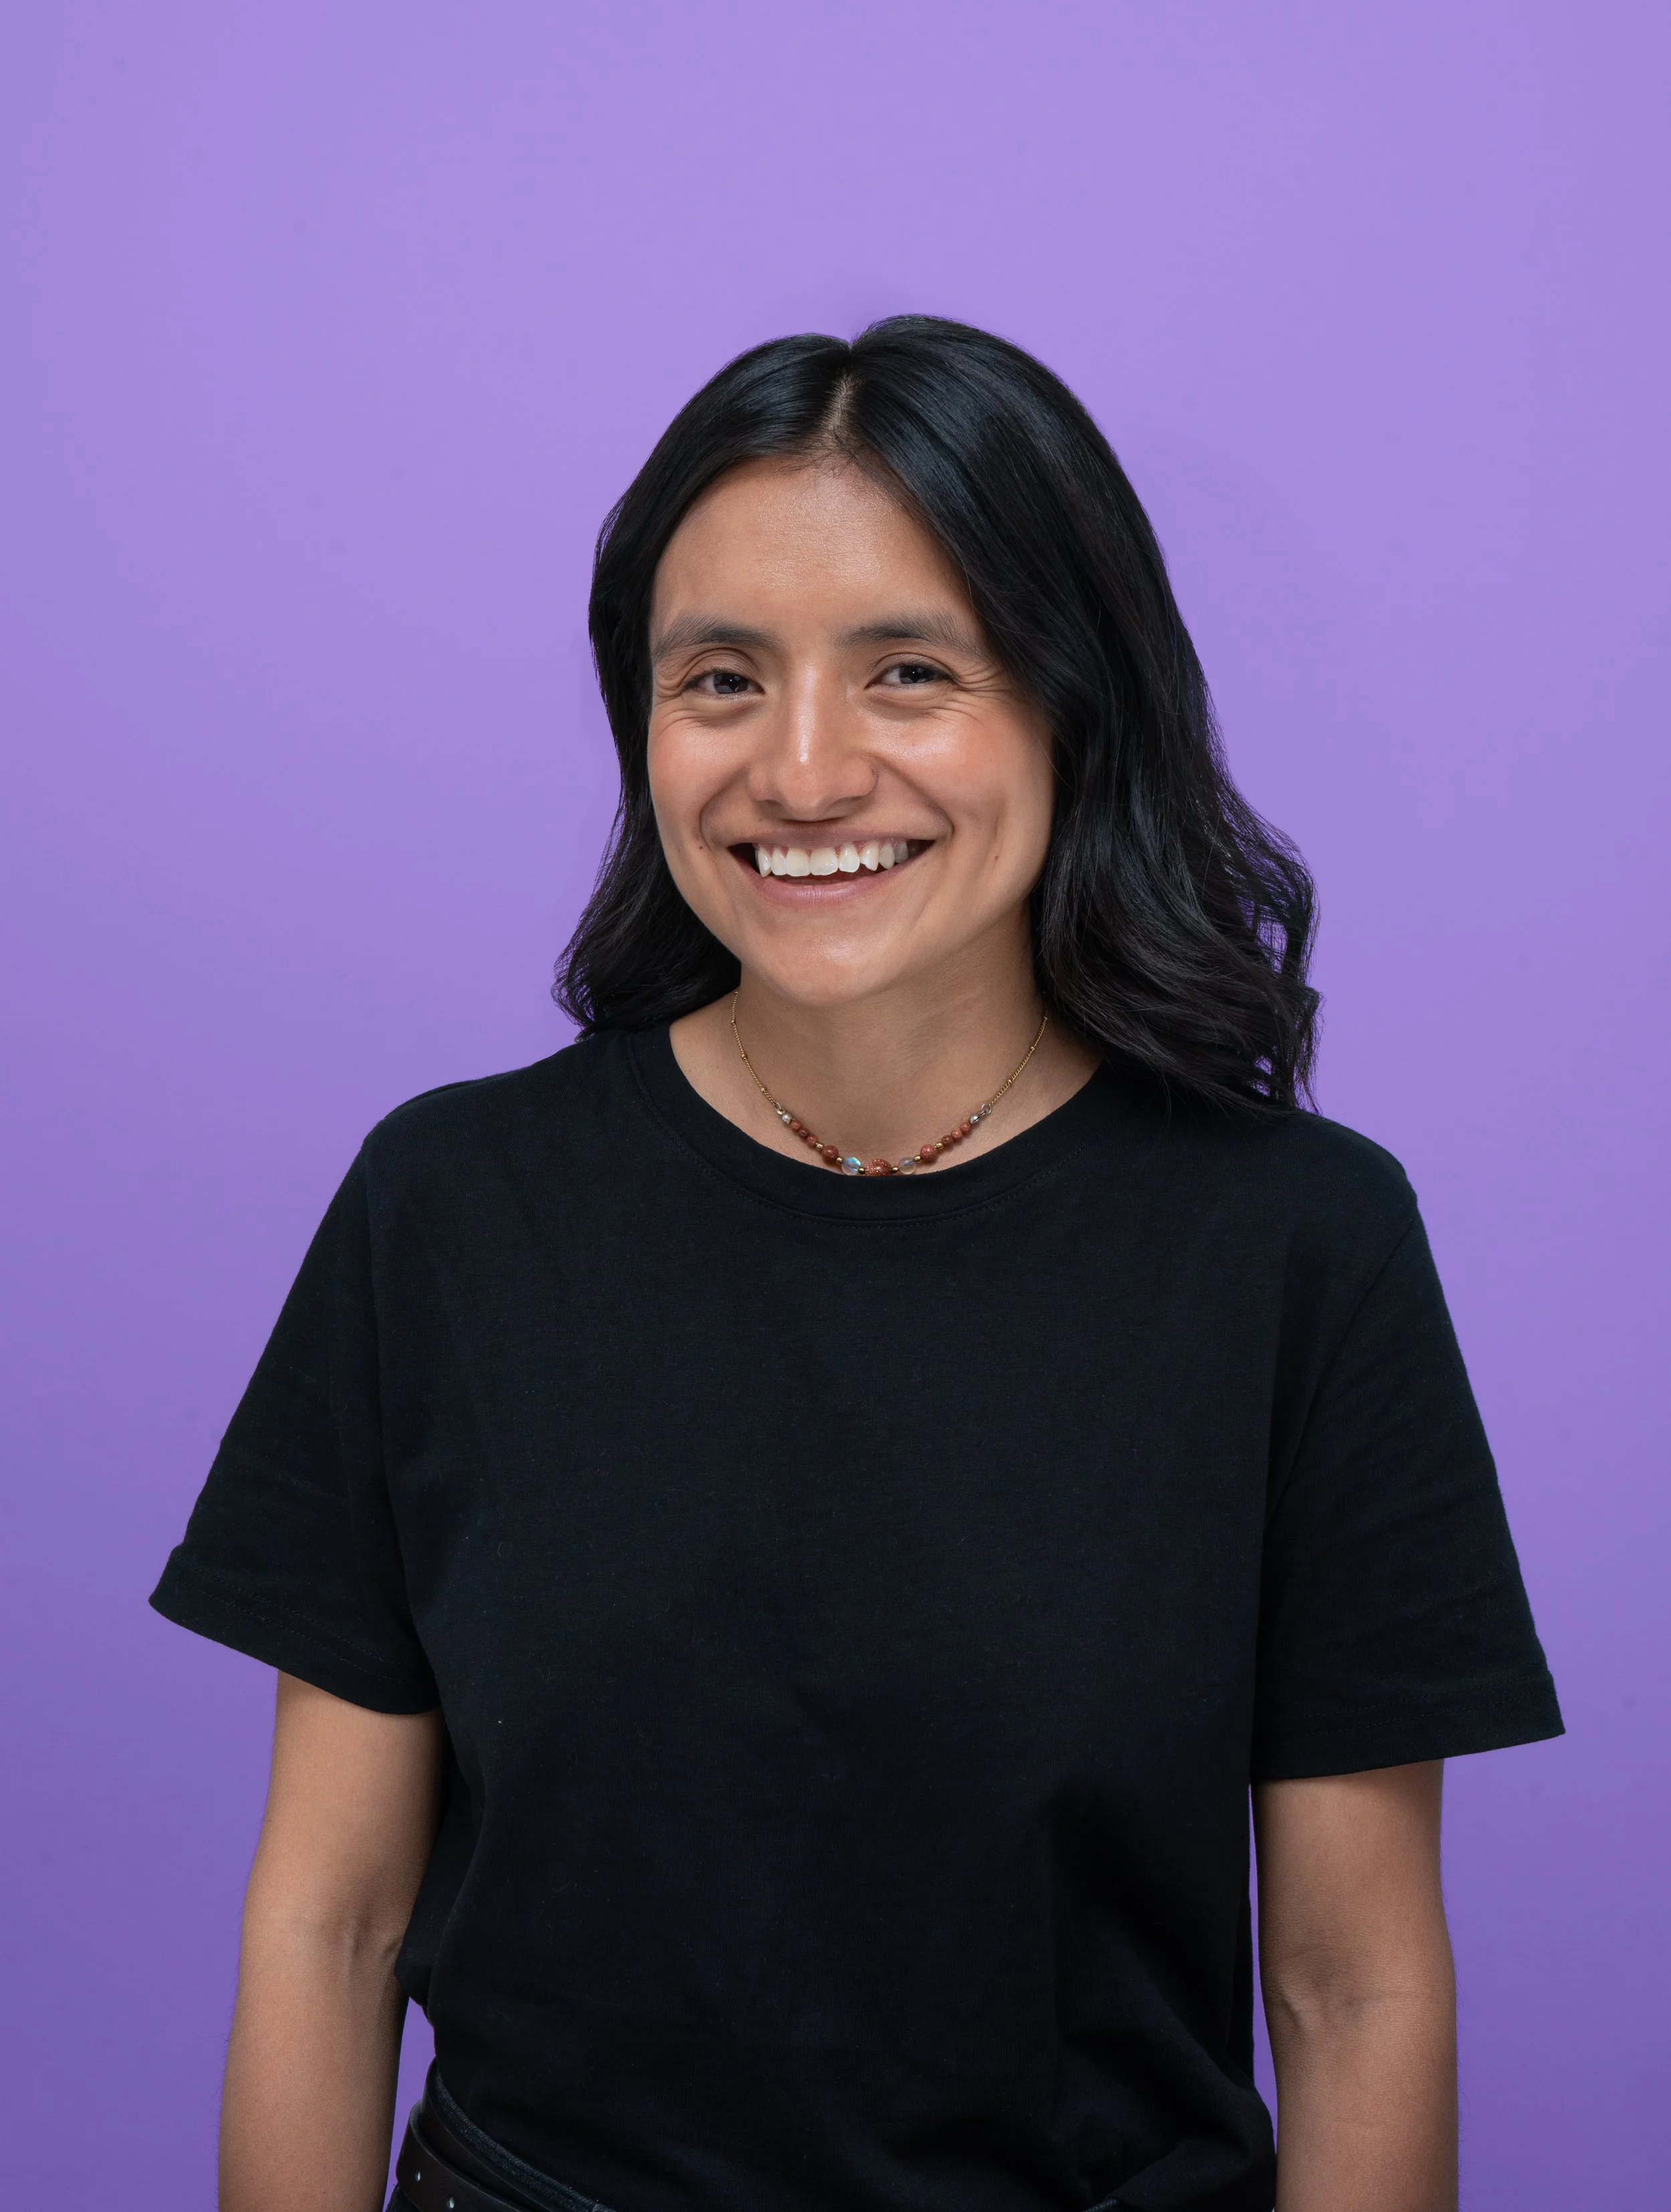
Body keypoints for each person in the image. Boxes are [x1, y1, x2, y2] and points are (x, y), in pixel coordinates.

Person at [152, 317, 1561, 2212]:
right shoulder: (448, 1207)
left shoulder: (1299, 1244)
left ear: (1078, 701)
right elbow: (331, 1917)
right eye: (718, 677)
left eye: (910, 671)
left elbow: (1352, 1976)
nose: (803, 769)